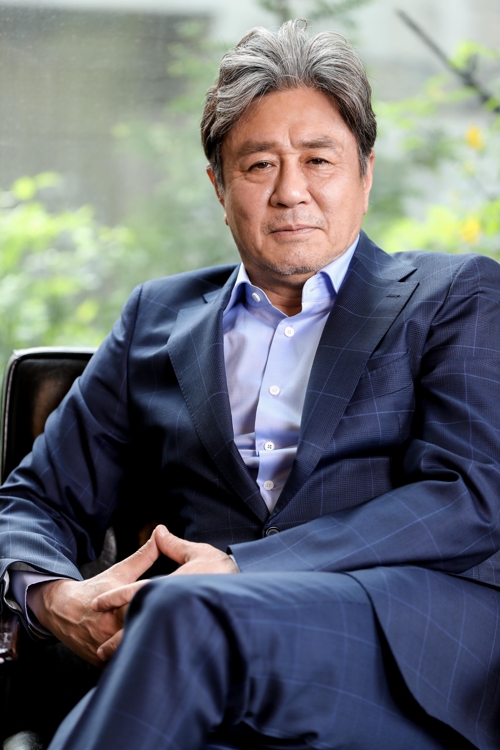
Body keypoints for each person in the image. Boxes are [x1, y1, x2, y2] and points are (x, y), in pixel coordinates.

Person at [1, 19, 500, 750]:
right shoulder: (155, 319)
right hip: (200, 674)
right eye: (260, 165)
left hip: (395, 655)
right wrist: (53, 599)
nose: (291, 192)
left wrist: (241, 567)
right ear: (219, 184)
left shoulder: (455, 296)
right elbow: (34, 499)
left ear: (365, 174)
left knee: (184, 611)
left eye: (318, 160)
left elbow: (471, 497)